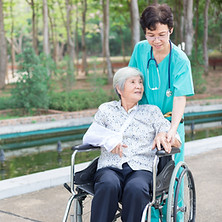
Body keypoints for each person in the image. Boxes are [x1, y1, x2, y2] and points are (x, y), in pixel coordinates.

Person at [83, 67, 181, 222]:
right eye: (133, 82)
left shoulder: (151, 112)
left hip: (141, 168)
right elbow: (90, 135)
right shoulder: (106, 109)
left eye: (140, 82)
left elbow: (176, 139)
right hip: (110, 166)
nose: (139, 86)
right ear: (119, 88)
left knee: (136, 188)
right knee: (108, 184)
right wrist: (109, 140)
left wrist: (163, 135)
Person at [128, 4, 194, 221]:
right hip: (144, 122)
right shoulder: (140, 50)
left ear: (171, 31)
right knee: (146, 176)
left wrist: (171, 131)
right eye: (151, 35)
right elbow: (131, 82)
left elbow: (179, 97)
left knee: (171, 179)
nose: (156, 40)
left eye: (162, 35)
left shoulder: (180, 60)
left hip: (170, 121)